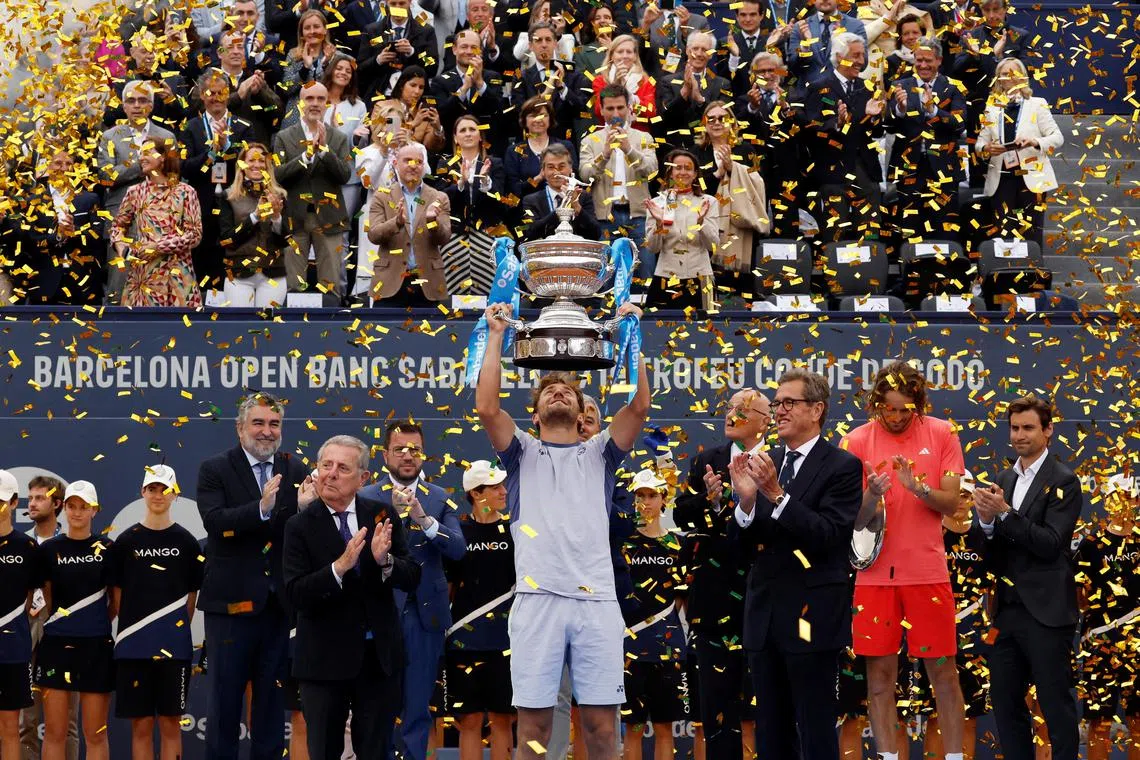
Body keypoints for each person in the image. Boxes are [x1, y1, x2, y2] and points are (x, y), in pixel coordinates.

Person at [474, 300, 650, 760]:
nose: (558, 394)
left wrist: (633, 335)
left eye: (568, 393)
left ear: (580, 412)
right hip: (537, 602)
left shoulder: (601, 453)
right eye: (548, 392)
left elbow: (640, 405)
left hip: (596, 604)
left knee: (599, 725)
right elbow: (488, 407)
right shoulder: (520, 453)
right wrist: (495, 335)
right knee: (534, 724)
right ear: (533, 415)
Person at [729, 368, 863, 760]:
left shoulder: (842, 466)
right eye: (777, 403)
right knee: (770, 729)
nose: (780, 411)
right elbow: (742, 546)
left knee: (815, 726)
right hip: (764, 618)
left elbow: (829, 535)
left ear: (817, 409)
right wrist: (748, 502)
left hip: (812, 618)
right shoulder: (767, 462)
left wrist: (775, 493)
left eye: (790, 402)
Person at [841, 360, 966, 760]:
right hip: (874, 578)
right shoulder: (856, 440)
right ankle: (889, 757)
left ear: (919, 403)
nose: (894, 417)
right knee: (879, 680)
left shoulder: (943, 433)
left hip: (927, 573)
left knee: (943, 675)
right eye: (887, 408)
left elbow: (951, 502)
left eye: (903, 409)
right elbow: (852, 519)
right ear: (876, 403)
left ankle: (954, 757)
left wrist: (918, 488)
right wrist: (870, 497)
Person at [283, 434, 421, 759]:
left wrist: (384, 561)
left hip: (378, 659)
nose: (330, 474)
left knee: (375, 750)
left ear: (363, 478)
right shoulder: (299, 525)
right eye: (325, 465)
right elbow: (295, 593)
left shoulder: (382, 515)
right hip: (323, 661)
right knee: (325, 751)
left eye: (342, 468)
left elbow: (412, 576)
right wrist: (339, 568)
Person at [195, 392, 310, 760]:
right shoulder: (215, 468)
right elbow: (214, 523)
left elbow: (297, 536)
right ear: (240, 427)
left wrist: (305, 513)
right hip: (229, 607)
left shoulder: (296, 470)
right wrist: (260, 509)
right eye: (258, 423)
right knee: (224, 707)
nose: (266, 431)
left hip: (277, 608)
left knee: (272, 708)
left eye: (274, 424)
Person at [972, 394, 1082, 760]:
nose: (1020, 435)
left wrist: (1003, 514)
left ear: (1048, 431)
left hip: (1048, 614)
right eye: (1015, 428)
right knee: (1005, 705)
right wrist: (986, 525)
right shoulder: (1003, 478)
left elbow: (1051, 543)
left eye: (1028, 428)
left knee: (1056, 707)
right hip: (1006, 614)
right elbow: (990, 554)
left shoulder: (1065, 481)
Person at [358, 422, 467, 760]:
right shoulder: (365, 497)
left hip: (424, 618)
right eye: (400, 449)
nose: (407, 456)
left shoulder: (438, 498)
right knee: (379, 707)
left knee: (418, 709)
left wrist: (424, 519)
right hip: (378, 617)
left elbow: (458, 549)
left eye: (414, 450)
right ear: (385, 454)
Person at [674, 390, 769, 760]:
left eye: (742, 410)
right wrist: (709, 501)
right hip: (714, 604)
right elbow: (682, 515)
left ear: (765, 420)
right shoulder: (707, 461)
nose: (731, 414)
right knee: (717, 704)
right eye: (729, 407)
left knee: (770, 704)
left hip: (767, 597)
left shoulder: (779, 460)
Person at [107, 465, 203, 760]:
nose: (158, 494)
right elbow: (118, 596)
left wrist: (170, 632)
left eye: (164, 489)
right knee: (142, 726)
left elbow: (191, 597)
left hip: (175, 651)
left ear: (175, 494)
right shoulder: (125, 542)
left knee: (171, 725)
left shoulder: (187, 542)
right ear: (142, 492)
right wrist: (140, 629)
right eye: (152, 488)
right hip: (133, 649)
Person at [912, 472, 989, 760]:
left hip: (972, 637)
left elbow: (993, 593)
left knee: (969, 714)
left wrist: (987, 636)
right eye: (955, 495)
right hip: (930, 634)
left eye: (966, 495)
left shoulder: (985, 538)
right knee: (935, 714)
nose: (959, 501)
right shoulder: (927, 533)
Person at [37, 480, 115, 760]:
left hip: (96, 647)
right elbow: (47, 598)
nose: (78, 513)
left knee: (95, 733)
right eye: (72, 506)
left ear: (95, 510)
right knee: (56, 732)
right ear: (64, 508)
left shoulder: (108, 548)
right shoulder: (48, 550)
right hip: (56, 647)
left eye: (84, 507)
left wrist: (90, 624)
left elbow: (115, 603)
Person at [445, 460, 516, 760]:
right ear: (475, 493)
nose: (503, 491)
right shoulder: (458, 532)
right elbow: (448, 587)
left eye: (503, 485)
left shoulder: (516, 530)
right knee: (470, 721)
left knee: (503, 720)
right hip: (463, 643)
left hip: (508, 643)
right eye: (495, 487)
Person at [620, 469, 688, 760]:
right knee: (633, 728)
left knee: (664, 728)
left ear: (664, 500)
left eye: (652, 495)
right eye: (640, 496)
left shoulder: (678, 545)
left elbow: (682, 598)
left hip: (669, 647)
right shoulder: (624, 544)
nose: (646, 502)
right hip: (628, 649)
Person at [1074, 474, 1140, 760]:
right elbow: (1078, 596)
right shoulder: (1091, 544)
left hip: (1138, 644)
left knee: (1138, 721)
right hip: (1100, 644)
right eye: (1117, 497)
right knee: (1098, 723)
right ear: (1107, 501)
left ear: (1136, 501)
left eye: (1129, 497)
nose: (1123, 503)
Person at [273, 81, 353, 306]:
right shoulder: (284, 137)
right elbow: (278, 174)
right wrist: (306, 157)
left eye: (320, 99)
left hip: (329, 218)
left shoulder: (338, 138)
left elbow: (345, 175)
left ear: (327, 103)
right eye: (310, 98)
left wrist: (325, 151)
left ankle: (330, 330)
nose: (315, 104)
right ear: (300, 103)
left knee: (330, 286)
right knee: (294, 285)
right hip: (294, 218)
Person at [800, 33, 885, 242]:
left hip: (865, 173)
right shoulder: (819, 87)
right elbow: (811, 129)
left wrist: (873, 120)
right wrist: (838, 123)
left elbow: (877, 132)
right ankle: (837, 274)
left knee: (870, 235)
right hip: (832, 174)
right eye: (855, 55)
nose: (861, 61)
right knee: (835, 236)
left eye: (862, 56)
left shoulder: (868, 88)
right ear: (839, 57)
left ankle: (870, 271)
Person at [98, 80, 176, 304]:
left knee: (156, 283)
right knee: (118, 284)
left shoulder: (167, 137)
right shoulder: (109, 137)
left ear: (151, 106)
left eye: (143, 100)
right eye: (131, 101)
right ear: (123, 106)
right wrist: (141, 165)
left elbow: (174, 177)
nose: (137, 105)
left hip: (159, 219)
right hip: (120, 221)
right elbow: (106, 176)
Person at [884, 37, 967, 246]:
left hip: (944, 169)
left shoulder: (953, 87)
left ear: (939, 60)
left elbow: (959, 123)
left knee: (944, 227)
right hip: (909, 168)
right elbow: (887, 126)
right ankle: (912, 275)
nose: (923, 65)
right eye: (918, 59)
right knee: (910, 227)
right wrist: (899, 110)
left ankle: (945, 275)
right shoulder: (899, 86)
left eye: (928, 60)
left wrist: (934, 111)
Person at [19, 475, 79, 760]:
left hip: (64, 643)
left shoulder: (72, 546)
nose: (32, 503)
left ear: (57, 504)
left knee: (67, 725)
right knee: (24, 723)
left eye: (40, 498)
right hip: (22, 642)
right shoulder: (20, 546)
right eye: (30, 497)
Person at [181, 68, 257, 291]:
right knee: (201, 258)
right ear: (202, 95)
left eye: (220, 92)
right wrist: (211, 154)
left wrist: (226, 148)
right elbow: (184, 167)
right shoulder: (191, 127)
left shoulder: (244, 127)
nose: (215, 97)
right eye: (210, 93)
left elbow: (251, 165)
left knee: (231, 258)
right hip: (201, 204)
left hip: (235, 204)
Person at [975, 57, 1062, 250]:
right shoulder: (991, 108)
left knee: (1030, 233)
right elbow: (980, 142)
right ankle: (1005, 276)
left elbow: (1057, 137)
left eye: (1013, 73)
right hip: (1002, 178)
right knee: (1003, 233)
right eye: (1004, 74)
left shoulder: (1037, 104)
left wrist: (1034, 141)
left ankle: (1032, 278)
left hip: (1031, 179)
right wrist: (986, 148)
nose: (1009, 78)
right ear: (999, 79)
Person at [109, 137, 204, 308]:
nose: (141, 158)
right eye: (140, 154)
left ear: (163, 157)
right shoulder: (135, 192)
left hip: (177, 278)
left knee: (180, 333)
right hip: (143, 277)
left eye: (147, 153)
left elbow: (194, 235)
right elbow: (118, 226)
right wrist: (120, 245)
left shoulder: (185, 192)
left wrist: (157, 247)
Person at [13, 146, 104, 305]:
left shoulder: (90, 198)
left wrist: (74, 233)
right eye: (58, 163)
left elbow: (98, 236)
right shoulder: (32, 201)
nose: (64, 168)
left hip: (84, 286)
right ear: (47, 166)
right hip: (44, 285)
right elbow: (28, 242)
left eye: (69, 164)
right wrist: (58, 236)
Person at [578, 85, 657, 266]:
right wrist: (604, 154)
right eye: (610, 108)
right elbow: (585, 176)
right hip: (604, 216)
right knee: (607, 277)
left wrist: (629, 149)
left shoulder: (644, 137)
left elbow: (652, 170)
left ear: (629, 108)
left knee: (644, 276)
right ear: (602, 110)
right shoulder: (590, 140)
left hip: (638, 215)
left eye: (620, 107)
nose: (616, 113)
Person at [366, 142, 452, 306]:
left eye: (419, 162)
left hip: (428, 284)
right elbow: (374, 235)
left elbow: (444, 237)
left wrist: (432, 222)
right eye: (407, 160)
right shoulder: (381, 196)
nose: (413, 166)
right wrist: (396, 222)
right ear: (395, 163)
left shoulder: (439, 197)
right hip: (389, 282)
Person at [438, 115, 511, 294]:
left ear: (480, 136)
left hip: (486, 236)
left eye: (472, 129)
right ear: (455, 138)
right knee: (454, 293)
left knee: (487, 292)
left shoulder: (495, 164)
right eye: (463, 130)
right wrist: (460, 183)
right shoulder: (445, 164)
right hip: (453, 238)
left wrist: (485, 183)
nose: (468, 134)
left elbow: (502, 203)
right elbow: (441, 200)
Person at [0, 469, 45, 760]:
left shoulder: (28, 548)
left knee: (9, 729)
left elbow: (33, 598)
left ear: (15, 502)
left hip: (13, 651)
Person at [734, 51, 801, 239]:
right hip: (756, 169)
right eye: (761, 71)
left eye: (771, 70)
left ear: (780, 71)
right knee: (756, 218)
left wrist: (786, 108)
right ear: (753, 75)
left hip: (787, 168)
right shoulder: (743, 99)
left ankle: (788, 263)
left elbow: (803, 127)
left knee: (787, 220)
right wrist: (752, 108)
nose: (767, 75)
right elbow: (738, 127)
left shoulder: (794, 95)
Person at [643, 148, 719, 311]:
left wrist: (701, 222)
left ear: (695, 173)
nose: (683, 172)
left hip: (701, 278)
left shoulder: (708, 202)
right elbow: (652, 248)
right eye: (678, 167)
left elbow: (713, 246)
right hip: (666, 277)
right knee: (659, 332)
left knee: (706, 333)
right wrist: (659, 223)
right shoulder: (657, 203)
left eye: (688, 168)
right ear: (670, 172)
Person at [218, 142, 290, 307]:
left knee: (268, 329)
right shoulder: (228, 196)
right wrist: (254, 217)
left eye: (261, 161)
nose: (256, 165)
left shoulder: (280, 195)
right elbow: (226, 239)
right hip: (239, 274)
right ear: (242, 164)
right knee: (240, 328)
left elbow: (287, 240)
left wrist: (277, 217)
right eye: (251, 160)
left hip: (273, 274)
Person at [428, 29, 507, 149]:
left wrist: (480, 83)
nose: (469, 52)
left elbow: (498, 110)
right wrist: (464, 88)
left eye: (474, 47)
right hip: (452, 149)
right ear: (454, 49)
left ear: (480, 51)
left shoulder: (493, 77)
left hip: (487, 148)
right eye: (464, 47)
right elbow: (441, 114)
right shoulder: (440, 81)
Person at [510, 21, 587, 142]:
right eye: (538, 40)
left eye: (548, 40)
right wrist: (546, 93)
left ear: (555, 43)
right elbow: (519, 113)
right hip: (530, 144)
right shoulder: (521, 77)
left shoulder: (572, 75)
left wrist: (562, 88)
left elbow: (581, 110)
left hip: (563, 146)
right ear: (530, 45)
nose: (544, 45)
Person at [656, 32, 732, 150]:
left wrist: (699, 99)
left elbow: (725, 119)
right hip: (677, 150)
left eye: (704, 50)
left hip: (710, 149)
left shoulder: (722, 84)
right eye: (695, 48)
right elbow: (664, 118)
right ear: (687, 50)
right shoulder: (667, 81)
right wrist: (685, 92)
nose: (699, 53)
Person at [357, 0, 440, 103]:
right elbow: (360, 69)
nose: (397, 7)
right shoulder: (372, 30)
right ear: (386, 3)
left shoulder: (426, 31)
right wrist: (378, 60)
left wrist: (412, 52)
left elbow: (432, 67)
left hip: (414, 98)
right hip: (380, 97)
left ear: (410, 3)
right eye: (393, 3)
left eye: (402, 3)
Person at [520, 143, 602, 241]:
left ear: (571, 169)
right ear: (543, 171)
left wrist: (577, 207)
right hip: (546, 254)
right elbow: (529, 233)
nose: (557, 173)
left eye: (561, 166)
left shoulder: (583, 196)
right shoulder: (531, 200)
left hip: (575, 253)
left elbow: (595, 234)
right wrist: (562, 208)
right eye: (551, 167)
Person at [504, 96, 576, 203]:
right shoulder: (514, 151)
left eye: (543, 115)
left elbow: (574, 178)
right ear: (525, 120)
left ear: (550, 119)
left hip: (563, 206)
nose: (538, 120)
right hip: (527, 211)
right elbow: (514, 190)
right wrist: (537, 179)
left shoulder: (566, 146)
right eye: (532, 116)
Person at [280, 9, 340, 125]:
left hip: (326, 118)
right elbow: (286, 89)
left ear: (325, 29)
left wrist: (325, 64)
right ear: (301, 33)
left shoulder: (336, 56)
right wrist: (305, 68)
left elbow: (335, 89)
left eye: (316, 26)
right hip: (296, 119)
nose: (312, 31)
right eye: (307, 28)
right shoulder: (293, 55)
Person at [589, 35, 657, 131]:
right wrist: (615, 85)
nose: (625, 56)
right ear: (612, 55)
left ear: (635, 56)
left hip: (638, 135)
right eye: (620, 52)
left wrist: (630, 97)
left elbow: (651, 112)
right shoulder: (600, 80)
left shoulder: (646, 80)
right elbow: (598, 111)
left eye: (629, 52)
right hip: (609, 134)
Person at [716, 0, 778, 97]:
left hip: (769, 104)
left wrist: (769, 50)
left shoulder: (775, 41)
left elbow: (784, 74)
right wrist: (734, 57)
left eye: (753, 14)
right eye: (743, 15)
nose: (748, 19)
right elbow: (723, 81)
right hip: (737, 104)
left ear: (761, 16)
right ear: (737, 16)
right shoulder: (724, 43)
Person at [390, 66, 447, 152]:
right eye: (413, 85)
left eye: (421, 87)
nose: (417, 91)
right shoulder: (383, 106)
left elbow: (432, 147)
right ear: (401, 85)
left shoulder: (423, 113)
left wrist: (437, 129)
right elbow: (386, 136)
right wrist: (413, 124)